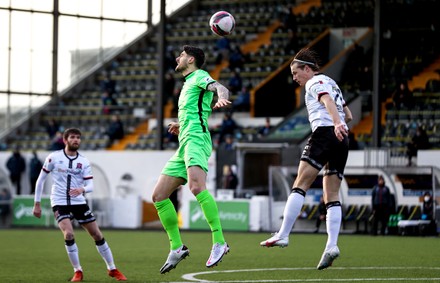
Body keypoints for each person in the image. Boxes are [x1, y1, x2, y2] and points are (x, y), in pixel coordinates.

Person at [260, 48, 353, 271]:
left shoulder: (314, 82)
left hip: (324, 133)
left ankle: (283, 234)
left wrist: (335, 122)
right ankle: (331, 245)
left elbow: (327, 100)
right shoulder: (331, 81)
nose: (295, 78)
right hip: (342, 140)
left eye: (296, 73)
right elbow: (348, 114)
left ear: (307, 69)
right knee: (331, 195)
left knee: (300, 184)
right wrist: (341, 122)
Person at [152, 45, 231, 274]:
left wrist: (222, 98)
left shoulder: (199, 76)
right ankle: (177, 248)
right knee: (159, 195)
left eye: (182, 55)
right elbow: (196, 110)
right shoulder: (188, 83)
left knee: (197, 187)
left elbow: (219, 87)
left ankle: (219, 241)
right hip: (185, 140)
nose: (177, 58)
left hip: (197, 138)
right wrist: (180, 125)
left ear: (191, 59)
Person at [32, 128, 127, 282]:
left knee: (97, 235)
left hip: (78, 202)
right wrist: (36, 203)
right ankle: (78, 271)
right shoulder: (53, 157)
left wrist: (82, 189)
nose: (76, 140)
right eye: (72, 137)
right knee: (68, 234)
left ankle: (112, 268)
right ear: (65, 140)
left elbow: (90, 186)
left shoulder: (83, 161)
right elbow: (41, 180)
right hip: (59, 201)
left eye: (78, 138)